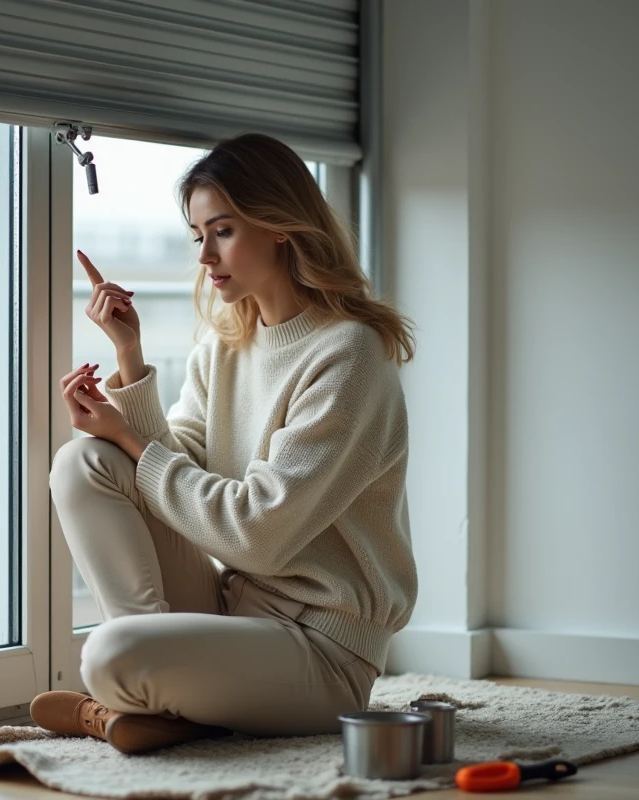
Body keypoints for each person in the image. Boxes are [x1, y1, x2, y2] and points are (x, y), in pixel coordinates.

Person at [31, 133, 419, 755]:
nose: (206, 256)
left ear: (282, 226)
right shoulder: (226, 346)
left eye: (224, 231)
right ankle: (158, 698)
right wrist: (128, 361)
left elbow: (258, 534)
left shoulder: (348, 355)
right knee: (84, 460)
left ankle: (144, 690)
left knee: (109, 651)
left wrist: (129, 433)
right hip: (234, 611)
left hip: (322, 651)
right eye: (197, 236)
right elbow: (174, 465)